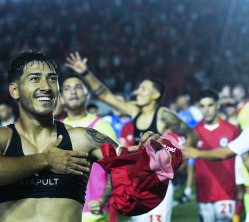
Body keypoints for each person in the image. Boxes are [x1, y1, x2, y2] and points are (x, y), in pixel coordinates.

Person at [0, 50, 181, 222]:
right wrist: (46, 160)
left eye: (52, 79)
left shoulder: (83, 138)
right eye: (35, 79)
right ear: (14, 90)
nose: (46, 86)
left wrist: (157, 153)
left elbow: (132, 166)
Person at [66, 51, 198, 222]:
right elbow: (106, 96)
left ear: (156, 95)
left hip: (157, 184)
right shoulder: (135, 112)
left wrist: (179, 166)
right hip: (137, 182)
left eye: (143, 89)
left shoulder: (164, 116)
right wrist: (85, 73)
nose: (137, 92)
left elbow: (192, 135)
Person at [59, 73, 117, 221]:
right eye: (67, 88)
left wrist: (103, 200)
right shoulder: (55, 129)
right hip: (61, 213)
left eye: (78, 87)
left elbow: (116, 168)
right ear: (61, 98)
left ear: (88, 95)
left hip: (93, 214)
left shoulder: (102, 127)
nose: (73, 91)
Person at [193, 89, 241, 221]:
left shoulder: (232, 130)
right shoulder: (194, 133)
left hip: (226, 193)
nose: (206, 110)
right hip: (204, 195)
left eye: (210, 105)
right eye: (202, 106)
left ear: (218, 105)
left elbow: (245, 158)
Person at [175, 94, 202, 203]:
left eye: (181, 99)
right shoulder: (180, 114)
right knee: (189, 167)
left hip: (198, 142)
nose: (179, 102)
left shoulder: (194, 110)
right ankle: (188, 191)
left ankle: (189, 191)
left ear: (186, 100)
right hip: (187, 144)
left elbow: (201, 123)